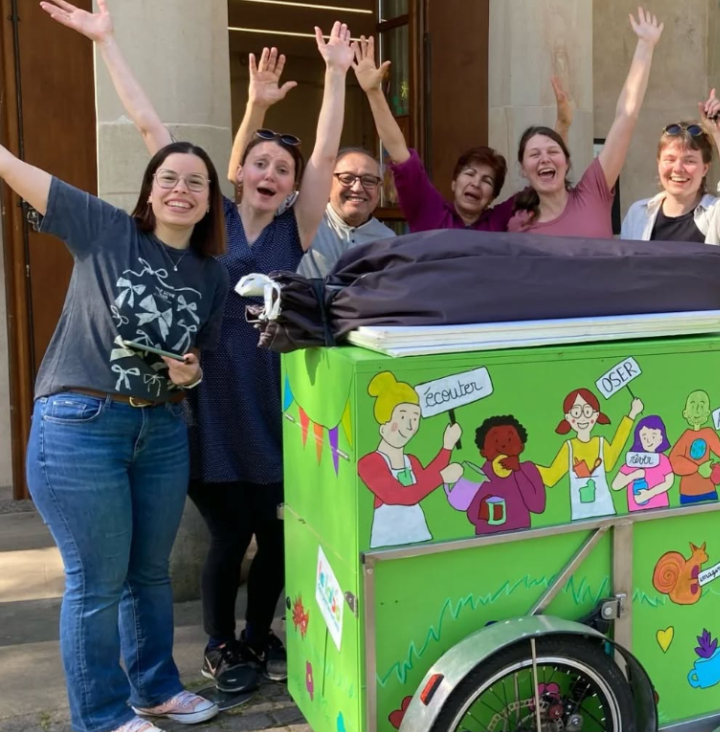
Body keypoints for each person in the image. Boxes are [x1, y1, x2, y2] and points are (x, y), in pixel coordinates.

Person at [51, 0, 355, 693]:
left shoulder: (295, 232)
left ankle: (256, 636)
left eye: (285, 167)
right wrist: (107, 42)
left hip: (273, 409)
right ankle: (220, 644)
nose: (273, 173)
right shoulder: (210, 220)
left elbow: (329, 155)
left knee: (277, 535)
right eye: (260, 163)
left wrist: (335, 75)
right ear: (239, 172)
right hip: (203, 407)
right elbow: (152, 129)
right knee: (230, 534)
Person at [16, 3, 231, 732]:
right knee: (97, 576)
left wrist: (193, 367)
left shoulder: (207, 271)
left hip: (162, 425)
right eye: (169, 178)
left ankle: (155, 686)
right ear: (149, 191)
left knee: (145, 573)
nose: (181, 188)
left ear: (209, 201)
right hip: (82, 425)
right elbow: (15, 167)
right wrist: (106, 44)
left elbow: (194, 352)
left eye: (195, 182)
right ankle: (100, 713)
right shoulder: (104, 227)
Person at [352, 36, 573, 231]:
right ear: (454, 183)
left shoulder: (500, 221)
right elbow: (398, 150)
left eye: (487, 180)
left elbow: (542, 179)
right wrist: (373, 92)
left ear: (493, 197)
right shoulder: (429, 210)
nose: (476, 183)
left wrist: (562, 124)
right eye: (469, 174)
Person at [508, 7, 663, 237]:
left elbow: (626, 116)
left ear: (566, 162)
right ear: (523, 169)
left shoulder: (593, 191)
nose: (544, 159)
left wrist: (645, 46)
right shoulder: (519, 224)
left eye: (552, 151)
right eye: (534, 155)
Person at [621, 89, 720, 245]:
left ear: (705, 168)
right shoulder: (638, 214)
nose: (678, 168)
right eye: (669, 159)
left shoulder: (715, 216)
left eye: (689, 161)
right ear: (659, 163)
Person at [356, 373, 463, 547]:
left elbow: (425, 480)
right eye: (403, 417)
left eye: (415, 418)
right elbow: (399, 495)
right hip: (387, 546)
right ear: (383, 426)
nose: (410, 425)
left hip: (419, 538)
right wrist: (442, 477)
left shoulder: (410, 461)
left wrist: (447, 446)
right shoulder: (369, 463)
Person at [538, 389, 644, 521]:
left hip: (606, 511)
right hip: (580, 516)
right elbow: (551, 477)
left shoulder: (600, 443)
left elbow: (613, 456)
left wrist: (632, 414)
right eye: (576, 412)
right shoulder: (569, 447)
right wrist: (524, 467)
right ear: (568, 418)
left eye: (587, 412)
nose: (582, 417)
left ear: (595, 415)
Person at [297, 146, 395, 278]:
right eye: (347, 178)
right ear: (328, 182)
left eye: (369, 180)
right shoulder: (302, 217)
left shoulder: (388, 241)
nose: (357, 188)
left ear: (379, 189)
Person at [465, 416, 546, 535]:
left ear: (521, 447)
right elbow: (472, 516)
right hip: (487, 539)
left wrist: (518, 471)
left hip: (522, 536)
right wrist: (482, 510)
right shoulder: (478, 474)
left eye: (509, 439)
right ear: (483, 452)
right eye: (496, 442)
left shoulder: (528, 469)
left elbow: (538, 507)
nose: (503, 446)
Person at [669, 390, 720, 505]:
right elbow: (673, 461)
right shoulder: (686, 435)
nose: (697, 409)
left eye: (702, 405)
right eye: (693, 405)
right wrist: (697, 468)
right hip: (687, 493)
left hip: (708, 490)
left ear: (707, 412)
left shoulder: (708, 433)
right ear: (686, 412)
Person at [612, 415, 675, 512]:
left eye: (653, 436)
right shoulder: (634, 460)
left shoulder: (662, 460)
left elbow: (669, 482)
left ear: (661, 438)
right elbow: (616, 485)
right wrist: (634, 475)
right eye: (644, 437)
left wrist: (650, 493)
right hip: (636, 512)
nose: (648, 440)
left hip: (661, 509)